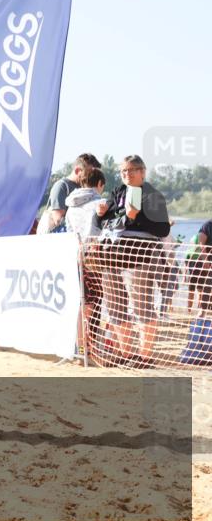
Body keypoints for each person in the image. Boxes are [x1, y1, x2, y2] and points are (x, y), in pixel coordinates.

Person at [96, 155, 170, 367]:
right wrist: (100, 214)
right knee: (115, 305)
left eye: (131, 170)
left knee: (142, 306)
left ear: (142, 172)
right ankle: (126, 354)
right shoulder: (117, 192)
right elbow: (105, 223)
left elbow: (163, 229)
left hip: (140, 256)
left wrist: (137, 217)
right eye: (123, 171)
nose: (126, 174)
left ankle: (145, 357)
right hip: (112, 256)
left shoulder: (153, 195)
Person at [64, 168, 107, 363]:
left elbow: (68, 231)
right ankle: (89, 349)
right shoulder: (100, 203)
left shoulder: (71, 206)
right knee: (93, 303)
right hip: (93, 256)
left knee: (81, 302)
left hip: (76, 255)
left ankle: (80, 347)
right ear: (99, 184)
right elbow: (104, 231)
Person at [37, 153, 101, 234]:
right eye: (89, 174)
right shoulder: (61, 186)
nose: (92, 177)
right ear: (77, 171)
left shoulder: (85, 189)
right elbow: (58, 219)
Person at [187, 220, 212, 316]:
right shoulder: (208, 225)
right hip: (208, 259)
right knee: (206, 285)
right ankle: (202, 310)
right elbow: (201, 243)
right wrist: (205, 259)